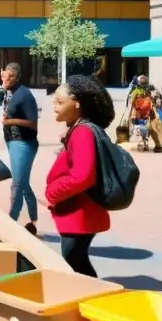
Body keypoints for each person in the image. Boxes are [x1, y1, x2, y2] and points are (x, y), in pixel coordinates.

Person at [44, 75, 115, 276]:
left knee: (75, 263)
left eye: (59, 101)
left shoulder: (82, 132)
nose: (54, 105)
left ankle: (92, 300)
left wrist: (52, 193)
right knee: (77, 262)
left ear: (77, 104)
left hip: (80, 213)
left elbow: (82, 177)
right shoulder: (79, 129)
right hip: (78, 211)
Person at [2, 63, 39, 235]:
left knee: (17, 184)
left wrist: (9, 122)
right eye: (3, 76)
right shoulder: (10, 92)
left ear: (16, 77)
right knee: (22, 182)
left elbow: (33, 123)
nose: (5, 80)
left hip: (23, 143)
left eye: (9, 77)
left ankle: (11, 223)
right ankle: (33, 219)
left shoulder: (24, 95)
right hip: (12, 141)